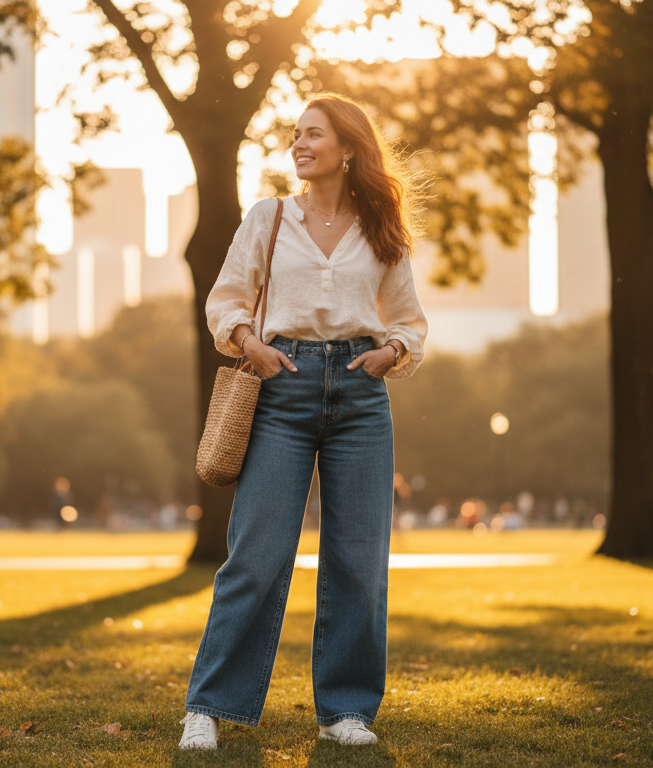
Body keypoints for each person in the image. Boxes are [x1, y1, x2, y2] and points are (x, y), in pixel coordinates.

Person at [181, 93, 427, 750]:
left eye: (314, 134)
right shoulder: (270, 217)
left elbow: (408, 318)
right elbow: (226, 300)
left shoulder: (382, 228)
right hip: (279, 390)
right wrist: (253, 347)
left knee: (358, 562)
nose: (299, 143)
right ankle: (209, 706)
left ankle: (346, 712)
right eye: (296, 134)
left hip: (360, 396)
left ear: (348, 149)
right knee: (256, 556)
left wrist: (390, 353)